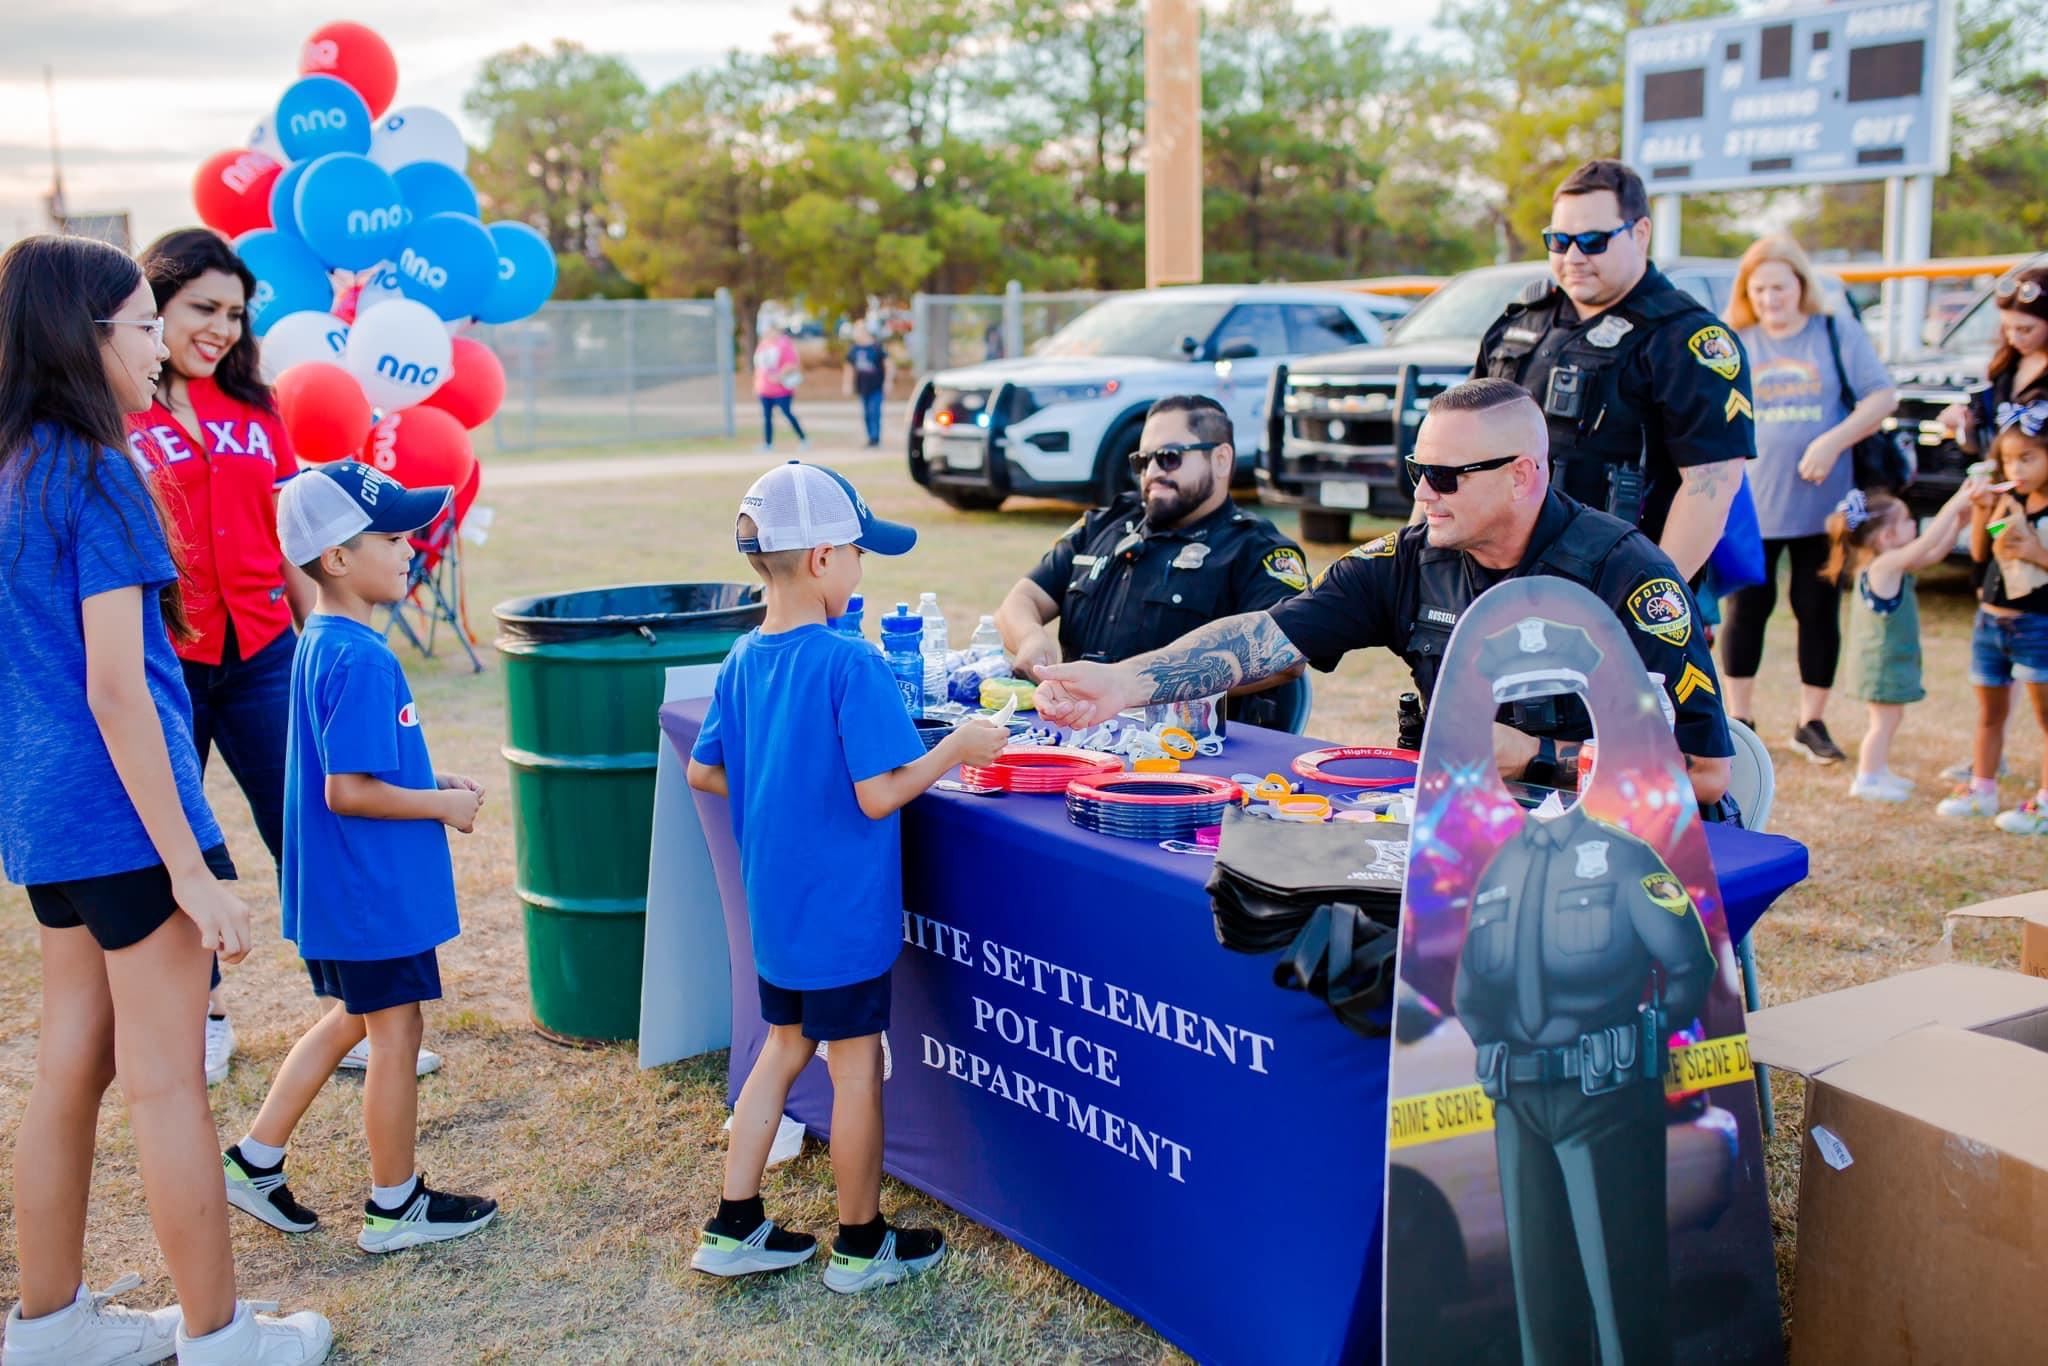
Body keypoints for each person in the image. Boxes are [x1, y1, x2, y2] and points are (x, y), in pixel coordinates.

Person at [0, 235, 330, 1365]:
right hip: (127, 826)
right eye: (145, 322)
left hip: (51, 826)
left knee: (72, 1071)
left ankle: (46, 1323)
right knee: (166, 1088)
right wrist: (190, 865)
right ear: (84, 336)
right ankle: (221, 1336)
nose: (160, 345)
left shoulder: (15, 466)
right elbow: (114, 687)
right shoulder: (100, 469)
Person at [1035, 378, 1736, 813]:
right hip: (1461, 831)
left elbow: (1703, 774)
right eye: (1415, 470)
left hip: (1612, 845)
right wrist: (1123, 683)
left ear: (1523, 475)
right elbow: (1262, 638)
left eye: (1446, 475)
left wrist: (1535, 756)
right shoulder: (1408, 559)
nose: (1422, 494)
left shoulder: (1625, 575)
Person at [684, 461, 1006, 1292]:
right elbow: (878, 794)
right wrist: (956, 747)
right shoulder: (849, 662)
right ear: (825, 558)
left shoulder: (743, 656)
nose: (864, 569)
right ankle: (861, 1245)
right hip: (842, 918)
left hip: (780, 914)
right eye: (861, 553)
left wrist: (779, 783)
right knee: (855, 1065)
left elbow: (704, 771)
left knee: (783, 1048)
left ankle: (733, 1224)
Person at [219, 461, 497, 1255]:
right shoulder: (363, 657)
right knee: (395, 1033)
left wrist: (428, 777)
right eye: (391, 535)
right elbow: (349, 789)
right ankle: (394, 1203)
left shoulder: (322, 640)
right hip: (371, 897)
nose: (411, 547)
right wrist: (442, 806)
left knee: (353, 1018)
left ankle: (255, 1158)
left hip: (345, 894)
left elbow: (356, 766)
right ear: (337, 559)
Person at [1455, 773, 1714, 1365]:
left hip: (1607, 1096)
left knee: (1625, 1296)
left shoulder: (1624, 858)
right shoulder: (1501, 867)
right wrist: (1492, 1044)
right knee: (1542, 1303)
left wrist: (1644, 1038)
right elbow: (1471, 990)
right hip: (1519, 1103)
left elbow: (1688, 965)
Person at [1477, 159, 1755, 580]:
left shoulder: (1686, 338)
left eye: (1592, 240)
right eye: (1559, 240)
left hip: (1614, 583)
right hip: (1498, 580)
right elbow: (1456, 448)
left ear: (1640, 233)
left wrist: (1648, 596)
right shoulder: (1520, 323)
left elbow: (1710, 487)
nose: (1573, 256)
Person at [995, 395, 1312, 726]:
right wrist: (1030, 637)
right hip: (1078, 734)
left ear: (1220, 459)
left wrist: (1139, 686)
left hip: (1188, 752)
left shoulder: (1256, 549)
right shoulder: (1103, 525)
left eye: (1169, 457)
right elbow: (1022, 599)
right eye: (1142, 460)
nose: (1153, 472)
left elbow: (1286, 657)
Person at [1716, 233, 1898, 766]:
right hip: (1752, 506)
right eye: (1760, 287)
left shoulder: (1834, 331)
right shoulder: (1735, 339)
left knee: (1816, 610)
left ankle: (1810, 721)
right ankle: (1740, 720)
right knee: (1746, 611)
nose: (1772, 297)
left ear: (1801, 284)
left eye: (1781, 285)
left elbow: (1882, 395)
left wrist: (1832, 439)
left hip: (1826, 506)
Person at [1935, 265, 2047, 783]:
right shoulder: (2004, 372)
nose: (2015, 337)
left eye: (2027, 327)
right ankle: (1989, 756)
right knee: (1992, 627)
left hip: (2039, 515)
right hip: (1996, 508)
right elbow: (1985, 434)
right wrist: (1962, 422)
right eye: (2009, 328)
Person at [1823, 481, 1986, 801]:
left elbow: (1933, 553)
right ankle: (1867, 779)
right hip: (1881, 665)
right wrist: (1955, 502)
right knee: (1882, 723)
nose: (1914, 524)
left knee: (1888, 719)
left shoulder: (1890, 564)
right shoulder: (1884, 566)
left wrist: (1957, 525)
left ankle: (1878, 771)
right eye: (1908, 520)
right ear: (1887, 537)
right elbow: (1925, 544)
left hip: (1889, 662)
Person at [1937, 407, 2048, 832]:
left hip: (2037, 624)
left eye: (2027, 459)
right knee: (1988, 713)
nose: (2014, 469)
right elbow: (1981, 554)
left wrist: (2036, 551)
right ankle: (1982, 789)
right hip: (1990, 621)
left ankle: (2043, 803)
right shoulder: (2009, 498)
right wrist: (1983, 511)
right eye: (2007, 460)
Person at [753, 324, 808, 452]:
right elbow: (760, 368)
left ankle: (803, 439)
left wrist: (779, 376)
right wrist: (757, 384)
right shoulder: (763, 345)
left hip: (781, 389)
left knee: (787, 414)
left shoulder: (784, 345)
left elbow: (792, 364)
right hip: (765, 389)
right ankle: (768, 444)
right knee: (767, 417)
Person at [842, 323, 890, 448]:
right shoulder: (854, 349)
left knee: (874, 411)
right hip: (863, 387)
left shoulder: (876, 347)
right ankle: (870, 438)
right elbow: (849, 368)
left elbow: (888, 365)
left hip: (876, 386)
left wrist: (887, 382)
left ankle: (875, 439)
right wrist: (847, 384)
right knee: (866, 414)